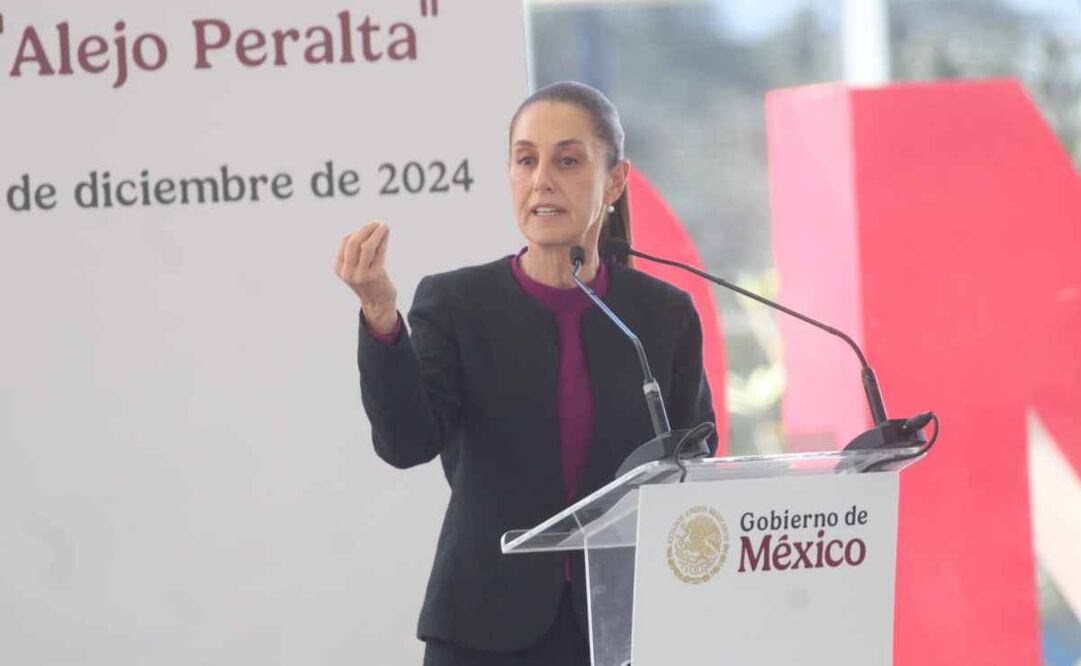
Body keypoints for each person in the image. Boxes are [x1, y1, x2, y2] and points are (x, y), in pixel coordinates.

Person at [334, 81, 717, 666]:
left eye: (567, 160)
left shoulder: (661, 316)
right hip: (484, 629)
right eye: (526, 160)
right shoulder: (457, 302)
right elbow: (406, 442)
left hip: (629, 627)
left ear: (614, 181)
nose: (542, 179)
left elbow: (697, 459)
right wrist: (382, 317)